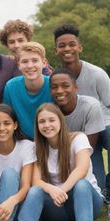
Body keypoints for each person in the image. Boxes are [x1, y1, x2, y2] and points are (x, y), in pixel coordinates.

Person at [11, 103, 103, 221]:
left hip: (87, 202)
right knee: (35, 190)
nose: (47, 125)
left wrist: (62, 189)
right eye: (42, 121)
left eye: (51, 120)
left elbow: (82, 169)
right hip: (58, 205)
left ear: (60, 121)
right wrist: (52, 190)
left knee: (81, 184)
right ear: (37, 125)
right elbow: (37, 181)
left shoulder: (78, 138)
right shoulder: (38, 147)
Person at [54, 23, 110, 196]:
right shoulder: (55, 79)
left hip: (104, 125)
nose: (67, 48)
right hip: (81, 135)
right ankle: (103, 188)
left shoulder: (97, 74)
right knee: (96, 187)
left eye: (72, 44)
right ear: (56, 50)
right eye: (62, 45)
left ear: (80, 47)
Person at [50, 68, 105, 188]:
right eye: (54, 87)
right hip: (60, 154)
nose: (59, 91)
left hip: (86, 151)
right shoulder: (50, 110)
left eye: (65, 86)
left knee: (95, 186)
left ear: (75, 87)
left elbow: (90, 145)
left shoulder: (90, 105)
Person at [3, 42, 53, 139]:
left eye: (35, 60)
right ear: (19, 65)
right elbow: (8, 118)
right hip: (21, 141)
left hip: (51, 138)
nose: (30, 66)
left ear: (44, 63)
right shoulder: (11, 87)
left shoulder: (53, 85)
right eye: (25, 62)